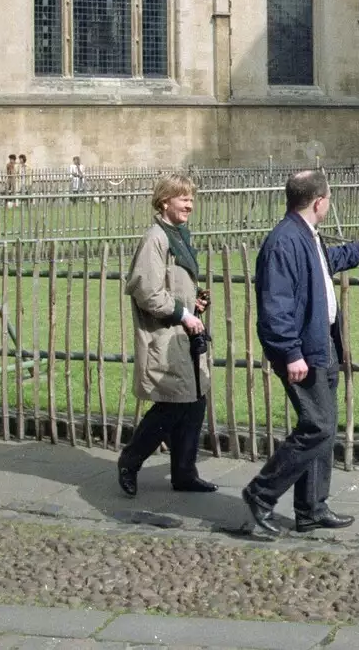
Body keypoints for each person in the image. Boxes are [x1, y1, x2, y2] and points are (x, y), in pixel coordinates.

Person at [241, 169, 359, 540]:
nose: (329, 204)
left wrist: (358, 250)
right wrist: (291, 353)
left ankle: (311, 509)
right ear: (319, 202)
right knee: (317, 426)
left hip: (322, 343)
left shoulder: (305, 235)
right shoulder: (283, 242)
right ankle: (260, 493)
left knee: (324, 428)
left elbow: (321, 267)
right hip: (303, 350)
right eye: (328, 199)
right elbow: (275, 307)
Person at [117, 172, 217, 497]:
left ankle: (184, 473)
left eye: (191, 197)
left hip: (184, 334)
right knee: (173, 404)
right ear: (164, 201)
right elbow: (147, 291)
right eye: (183, 197)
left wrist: (194, 302)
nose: (190, 203)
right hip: (164, 335)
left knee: (196, 400)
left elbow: (174, 286)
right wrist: (184, 313)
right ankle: (130, 460)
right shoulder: (156, 239)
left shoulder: (178, 234)